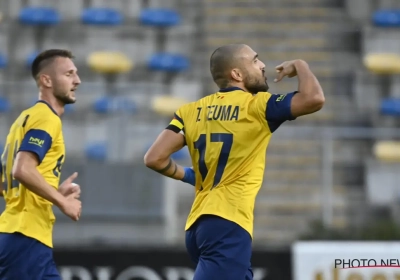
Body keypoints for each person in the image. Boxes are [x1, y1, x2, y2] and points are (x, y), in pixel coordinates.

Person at [144, 44, 324, 280]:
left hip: (198, 225)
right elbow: (314, 98)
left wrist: (190, 176)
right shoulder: (257, 106)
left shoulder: (189, 111)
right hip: (227, 223)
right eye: (255, 60)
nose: (262, 66)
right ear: (237, 74)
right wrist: (301, 65)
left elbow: (154, 158)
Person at [0, 49, 82, 280]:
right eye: (68, 74)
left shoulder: (23, 120)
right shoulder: (46, 118)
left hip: (16, 234)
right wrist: (62, 201)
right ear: (46, 80)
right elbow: (22, 169)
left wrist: (52, 192)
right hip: (26, 236)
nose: (77, 80)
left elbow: (5, 184)